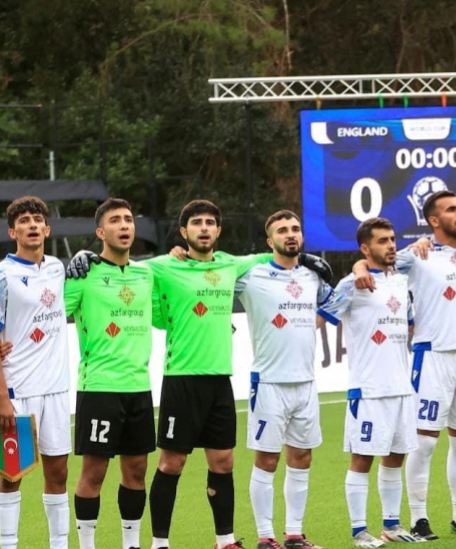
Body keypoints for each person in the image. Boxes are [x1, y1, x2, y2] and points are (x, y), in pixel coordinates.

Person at [68, 199, 332, 549]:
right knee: (171, 463)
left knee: (223, 462)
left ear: (218, 230)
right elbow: (124, 266)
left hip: (221, 378)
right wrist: (84, 255)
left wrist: (307, 259)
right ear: (184, 232)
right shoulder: (161, 267)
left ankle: (225, 540)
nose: (204, 228)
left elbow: (273, 256)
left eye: (210, 223)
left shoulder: (231, 264)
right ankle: (159, 543)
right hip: (180, 378)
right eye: (196, 223)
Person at [352, 191, 456, 539]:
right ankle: (419, 518)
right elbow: (374, 263)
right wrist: (358, 267)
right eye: (451, 210)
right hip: (432, 355)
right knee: (425, 442)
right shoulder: (417, 254)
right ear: (433, 220)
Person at [320, 218, 423, 547]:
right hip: (368, 390)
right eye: (382, 240)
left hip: (401, 387)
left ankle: (391, 525)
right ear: (365, 248)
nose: (391, 245)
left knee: (396, 456)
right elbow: (321, 318)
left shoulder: (400, 282)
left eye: (392, 239)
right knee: (362, 459)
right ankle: (359, 531)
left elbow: (409, 324)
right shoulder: (351, 284)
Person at [237, 211, 333, 549]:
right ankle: (265, 537)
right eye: (282, 230)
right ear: (270, 241)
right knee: (267, 459)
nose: (290, 234)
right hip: (269, 383)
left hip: (306, 383)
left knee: (302, 457)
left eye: (295, 229)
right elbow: (214, 284)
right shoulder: (251, 276)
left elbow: (334, 306)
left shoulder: (313, 276)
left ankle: (294, 534)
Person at [66, 199, 157, 549]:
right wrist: (72, 261)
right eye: (115, 220)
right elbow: (46, 310)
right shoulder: (83, 275)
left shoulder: (146, 274)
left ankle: (131, 544)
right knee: (94, 473)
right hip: (99, 388)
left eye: (129, 219)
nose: (124, 225)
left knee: (136, 471)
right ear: (101, 232)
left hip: (139, 388)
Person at [0, 196, 70, 549]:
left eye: (37, 219)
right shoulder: (3, 275)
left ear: (47, 228)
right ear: (13, 232)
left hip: (56, 389)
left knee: (58, 473)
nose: (32, 225)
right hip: (18, 392)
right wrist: (2, 399)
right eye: (24, 221)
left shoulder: (58, 268)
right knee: (11, 475)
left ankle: (59, 544)